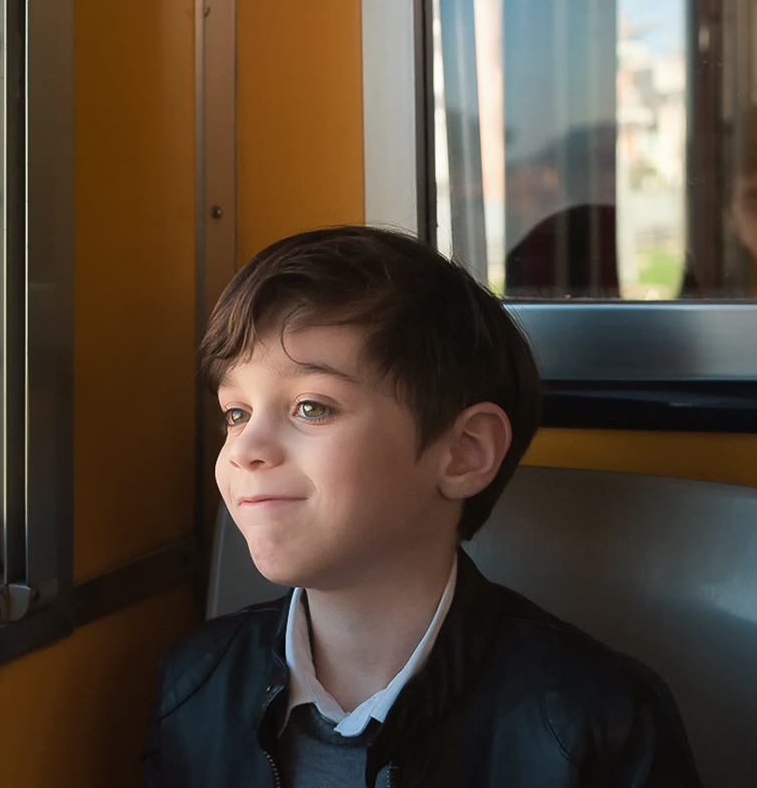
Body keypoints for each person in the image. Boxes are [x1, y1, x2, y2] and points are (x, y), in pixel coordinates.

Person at [143, 227, 700, 787]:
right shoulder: (191, 687)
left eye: (311, 407)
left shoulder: (600, 720)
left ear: (463, 453)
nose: (244, 449)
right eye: (235, 413)